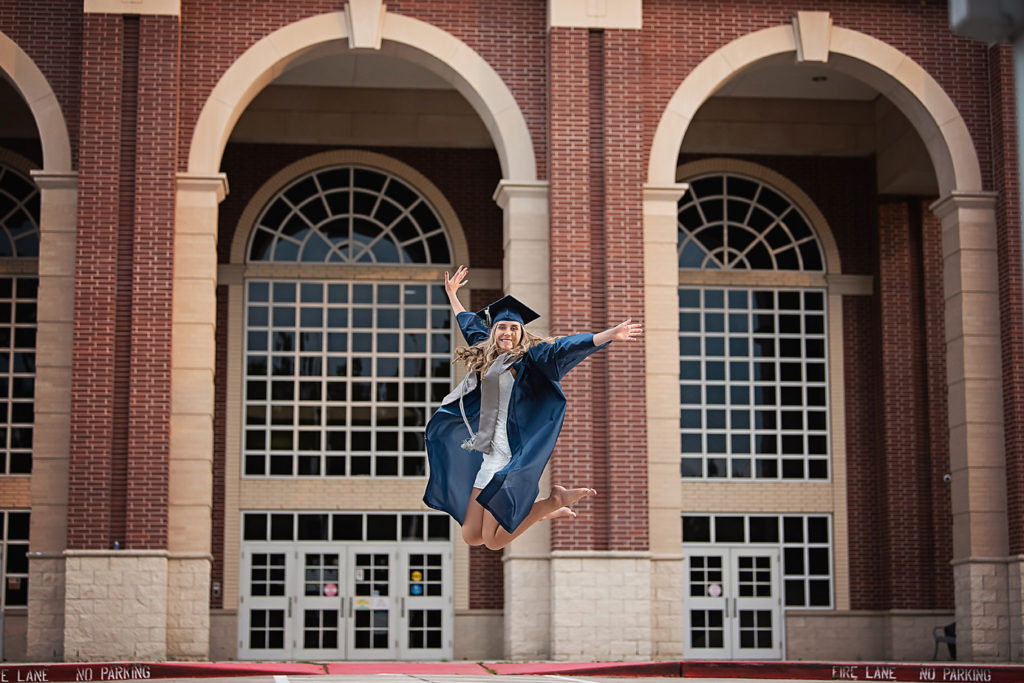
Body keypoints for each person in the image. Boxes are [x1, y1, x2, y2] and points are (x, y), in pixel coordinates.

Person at [422, 265, 643, 550]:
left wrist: (606, 336)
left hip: (511, 455)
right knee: (471, 535)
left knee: (492, 541)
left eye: (514, 328)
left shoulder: (532, 359)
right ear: (494, 331)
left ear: (520, 333)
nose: (507, 332)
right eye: (502, 327)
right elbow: (468, 323)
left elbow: (565, 348)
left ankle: (552, 502)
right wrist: (452, 294)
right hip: (490, 451)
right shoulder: (488, 355)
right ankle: (539, 514)